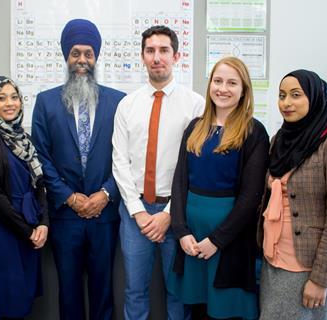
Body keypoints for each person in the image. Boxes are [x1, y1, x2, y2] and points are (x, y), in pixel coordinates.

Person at [31, 19, 125, 320]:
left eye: (88, 53)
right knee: (68, 291)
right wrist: (71, 197)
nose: (82, 60)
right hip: (65, 217)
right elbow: (41, 158)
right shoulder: (45, 102)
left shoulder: (118, 102)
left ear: (96, 57)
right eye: (75, 53)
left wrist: (105, 194)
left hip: (105, 215)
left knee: (104, 290)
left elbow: (126, 157)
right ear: (66, 56)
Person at [112, 25, 205, 320]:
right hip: (134, 212)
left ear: (176, 56)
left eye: (164, 50)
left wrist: (168, 213)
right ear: (142, 57)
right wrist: (138, 212)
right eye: (150, 51)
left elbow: (195, 165)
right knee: (134, 290)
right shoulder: (127, 105)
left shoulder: (196, 105)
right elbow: (119, 163)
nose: (157, 57)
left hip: (177, 212)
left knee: (178, 292)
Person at [166, 56, 269, 320]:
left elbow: (251, 197)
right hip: (192, 235)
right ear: (210, 84)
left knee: (225, 309)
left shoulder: (254, 132)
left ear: (244, 90)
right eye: (218, 81)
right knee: (197, 307)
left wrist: (217, 240)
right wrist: (181, 231)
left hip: (229, 239)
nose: (223, 88)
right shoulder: (195, 127)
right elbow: (180, 182)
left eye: (232, 83)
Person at [258, 69, 327, 320]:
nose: (286, 103)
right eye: (282, 96)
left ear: (315, 99)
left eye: (296, 95)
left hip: (306, 267)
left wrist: (320, 280)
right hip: (273, 259)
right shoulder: (279, 141)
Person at [0, 76, 48, 320]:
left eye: (14, 97)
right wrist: (27, 230)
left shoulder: (24, 139)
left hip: (28, 226)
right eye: (1, 98)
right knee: (1, 300)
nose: (9, 103)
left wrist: (44, 224)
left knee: (22, 298)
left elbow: (39, 185)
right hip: (0, 229)